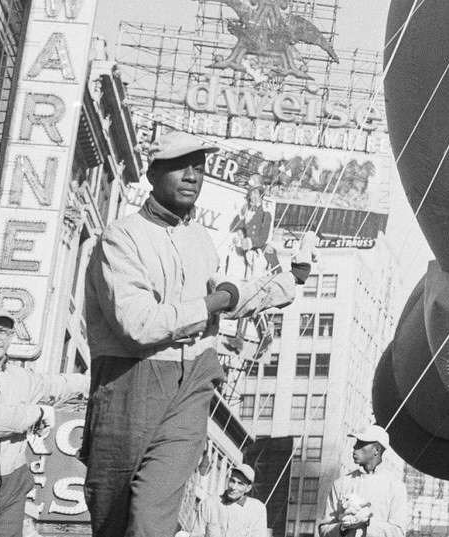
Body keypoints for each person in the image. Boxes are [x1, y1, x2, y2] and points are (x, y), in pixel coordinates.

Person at [83, 130, 299, 537]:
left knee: (152, 517)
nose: (192, 176)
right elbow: (138, 325)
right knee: (112, 516)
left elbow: (230, 295)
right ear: (152, 173)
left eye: (199, 169)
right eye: (181, 166)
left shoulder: (199, 239)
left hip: (192, 385)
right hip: (130, 381)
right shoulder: (121, 237)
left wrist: (287, 283)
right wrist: (217, 302)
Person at [0, 305, 88, 537]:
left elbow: (57, 385)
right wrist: (38, 413)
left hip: (11, 484)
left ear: (11, 336)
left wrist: (99, 381)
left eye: (1, 331)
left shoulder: (21, 378)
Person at [318, 424, 407, 537]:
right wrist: (342, 527)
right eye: (356, 443)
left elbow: (398, 532)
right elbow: (324, 529)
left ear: (376, 450)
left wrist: (367, 522)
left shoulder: (395, 486)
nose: (354, 447)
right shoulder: (341, 483)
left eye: (360, 444)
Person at [201, 463, 267, 537]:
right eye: (232, 481)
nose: (234, 487)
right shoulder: (210, 503)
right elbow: (196, 534)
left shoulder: (257, 509)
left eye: (240, 484)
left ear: (248, 488)